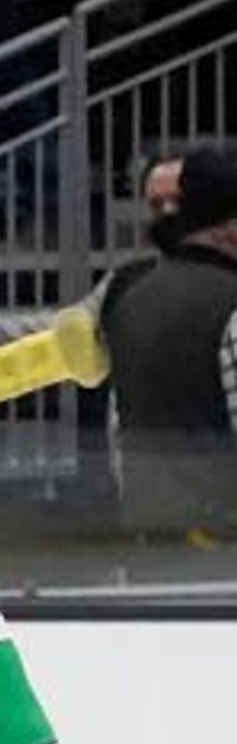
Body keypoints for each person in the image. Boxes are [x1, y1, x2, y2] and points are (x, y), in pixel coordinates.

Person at [97, 139, 237, 569]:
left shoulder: (127, 298)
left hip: (148, 547)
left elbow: (117, 430)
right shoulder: (230, 302)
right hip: (223, 559)